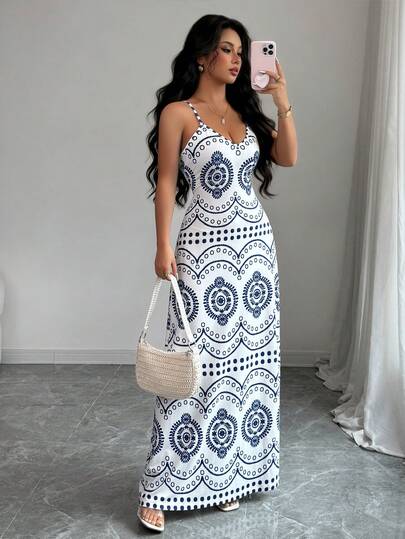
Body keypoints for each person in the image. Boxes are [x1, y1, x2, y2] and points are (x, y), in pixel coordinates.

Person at [137, 13, 297, 532]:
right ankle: (161, 487)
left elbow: (288, 157)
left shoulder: (246, 113)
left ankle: (226, 477)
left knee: (246, 371)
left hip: (255, 257)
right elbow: (166, 181)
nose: (235, 60)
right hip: (202, 254)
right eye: (227, 49)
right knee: (191, 369)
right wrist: (163, 245)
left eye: (241, 52)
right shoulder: (178, 113)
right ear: (202, 55)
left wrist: (281, 98)